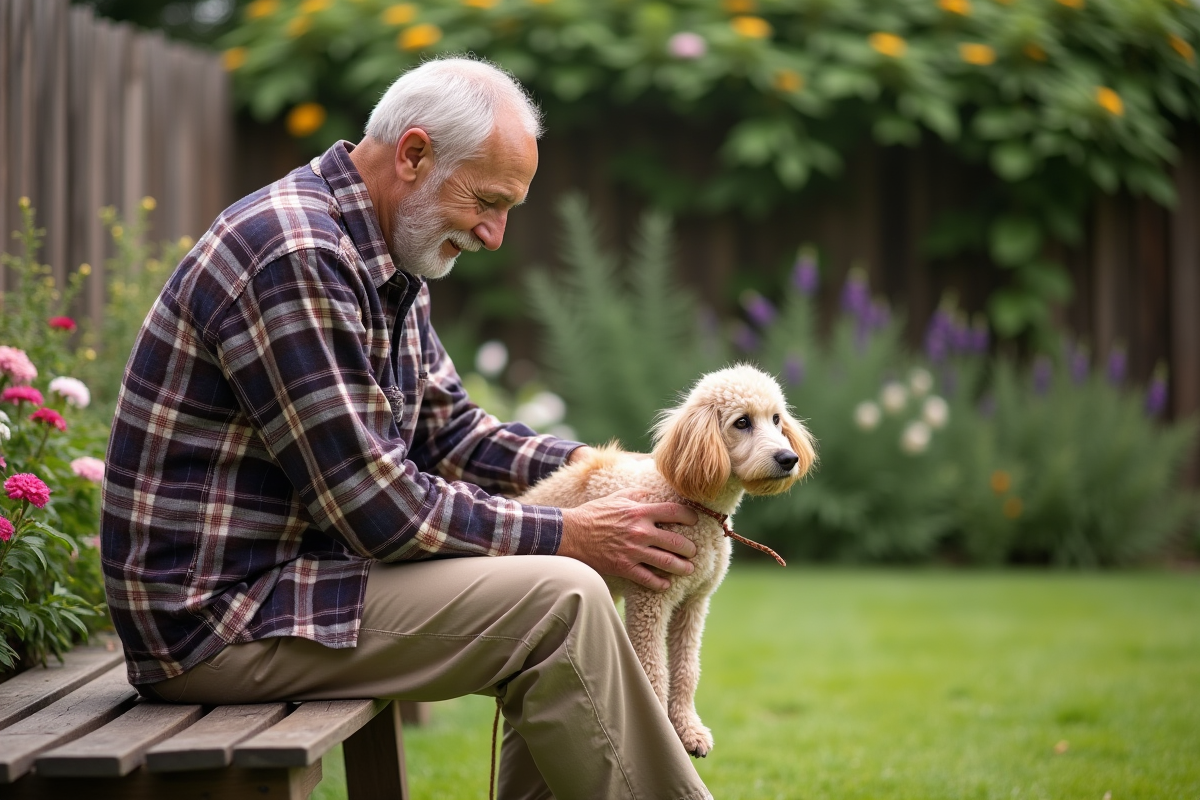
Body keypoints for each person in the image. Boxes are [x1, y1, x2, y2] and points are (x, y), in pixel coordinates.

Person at [101, 57, 712, 800]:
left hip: (293, 584)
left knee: (563, 593)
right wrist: (571, 533)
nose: (495, 234)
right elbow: (379, 510)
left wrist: (600, 470)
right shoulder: (297, 255)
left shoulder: (382, 259)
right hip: (218, 621)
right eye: (488, 201)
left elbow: (449, 431)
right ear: (414, 155)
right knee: (563, 599)